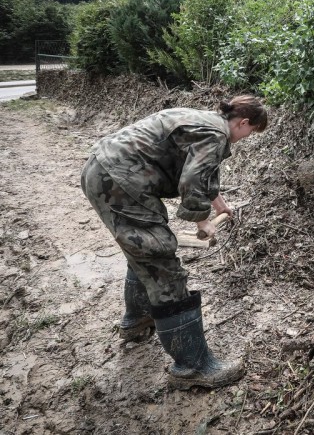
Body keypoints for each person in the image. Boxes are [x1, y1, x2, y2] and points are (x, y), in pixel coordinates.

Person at [80, 95, 268, 390]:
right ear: (244, 123)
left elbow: (200, 169)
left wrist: (220, 205)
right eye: (251, 132)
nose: (247, 138)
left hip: (104, 170)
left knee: (143, 249)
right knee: (161, 261)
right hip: (120, 181)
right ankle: (192, 365)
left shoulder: (203, 121)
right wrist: (201, 220)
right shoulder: (218, 134)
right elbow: (193, 178)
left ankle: (139, 318)